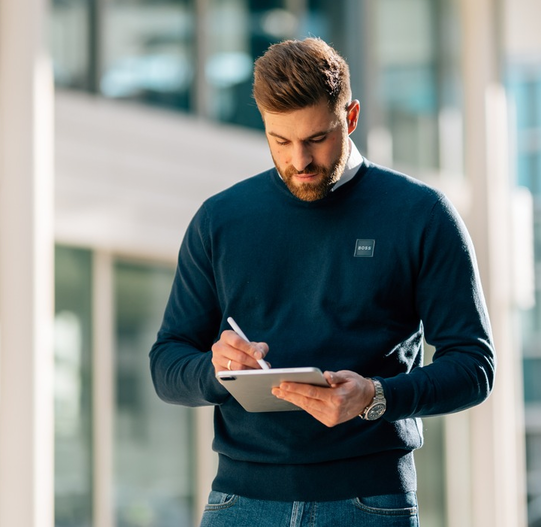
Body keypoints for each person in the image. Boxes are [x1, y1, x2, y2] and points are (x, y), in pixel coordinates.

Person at [149, 37, 495, 527]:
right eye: (280, 141)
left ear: (350, 118)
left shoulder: (421, 215)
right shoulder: (220, 220)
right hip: (239, 504)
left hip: (370, 503)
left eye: (316, 139)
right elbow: (166, 364)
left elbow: (475, 365)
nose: (299, 161)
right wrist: (216, 368)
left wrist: (377, 396)